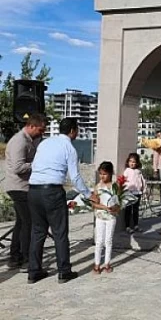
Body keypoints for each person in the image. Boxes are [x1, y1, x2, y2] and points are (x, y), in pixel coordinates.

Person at [27, 117, 94, 284]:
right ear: (72, 131)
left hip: (34, 190)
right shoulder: (69, 148)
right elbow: (75, 177)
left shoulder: (44, 143)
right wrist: (88, 194)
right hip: (52, 191)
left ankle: (33, 271)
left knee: (37, 232)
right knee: (59, 232)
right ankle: (64, 271)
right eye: (77, 130)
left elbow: (35, 166)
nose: (77, 133)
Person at [3, 113, 47, 270]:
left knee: (21, 223)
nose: (41, 134)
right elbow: (18, 167)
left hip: (22, 186)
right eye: (40, 130)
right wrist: (37, 164)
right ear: (31, 126)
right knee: (29, 222)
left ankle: (15, 257)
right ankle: (28, 258)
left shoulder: (29, 140)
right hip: (19, 186)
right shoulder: (19, 142)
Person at [92, 161, 120, 274]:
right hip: (100, 217)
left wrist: (115, 208)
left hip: (111, 217)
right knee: (99, 241)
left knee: (108, 240)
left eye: (105, 174)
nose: (102, 176)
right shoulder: (97, 187)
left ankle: (107, 263)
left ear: (110, 173)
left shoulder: (115, 186)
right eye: (100, 174)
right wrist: (103, 207)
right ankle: (97, 264)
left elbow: (119, 203)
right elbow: (94, 204)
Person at [123, 153, 146, 233]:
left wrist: (143, 188)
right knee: (128, 210)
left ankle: (136, 225)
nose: (132, 163)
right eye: (130, 161)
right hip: (129, 193)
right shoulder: (127, 171)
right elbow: (124, 181)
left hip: (137, 193)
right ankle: (127, 226)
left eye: (134, 162)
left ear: (137, 163)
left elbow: (142, 181)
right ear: (128, 162)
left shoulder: (138, 171)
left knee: (136, 210)